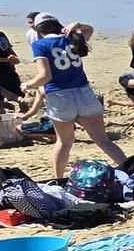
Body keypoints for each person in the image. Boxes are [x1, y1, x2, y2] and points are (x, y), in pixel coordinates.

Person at [31, 15, 128, 181]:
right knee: (103, 140)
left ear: (39, 30)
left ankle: (58, 178)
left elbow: (45, 76)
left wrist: (28, 85)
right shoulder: (71, 38)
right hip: (83, 93)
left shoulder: (40, 45)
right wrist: (77, 24)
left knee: (64, 142)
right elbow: (89, 30)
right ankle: (131, 170)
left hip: (59, 95)